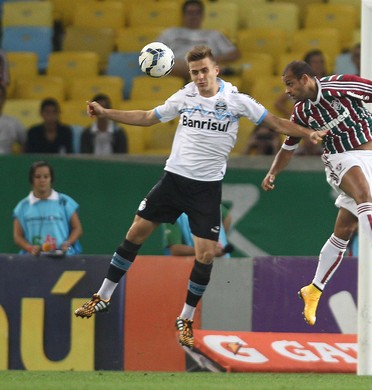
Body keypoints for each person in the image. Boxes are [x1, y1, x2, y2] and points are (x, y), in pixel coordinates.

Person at [73, 45, 325, 349]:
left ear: (216, 69)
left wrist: (307, 132)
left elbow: (276, 122)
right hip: (174, 180)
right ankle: (103, 296)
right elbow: (147, 117)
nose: (200, 77)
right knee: (136, 232)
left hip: (206, 189)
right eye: (194, 72)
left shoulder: (236, 101)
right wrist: (105, 112)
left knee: (205, 254)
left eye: (205, 70)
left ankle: (186, 318)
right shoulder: (184, 96)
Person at [261, 60, 372, 326]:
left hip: (368, 157)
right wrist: (273, 172)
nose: (287, 91)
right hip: (339, 160)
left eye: (289, 84)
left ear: (305, 79)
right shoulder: (301, 113)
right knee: (365, 198)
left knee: (344, 231)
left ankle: (314, 288)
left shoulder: (342, 84)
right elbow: (288, 147)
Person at [13, 160, 83, 256]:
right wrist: (30, 248)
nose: (42, 180)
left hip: (63, 259)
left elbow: (77, 228)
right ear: (31, 180)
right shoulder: (22, 206)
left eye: (46, 176)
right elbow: (17, 236)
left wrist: (67, 243)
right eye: (38, 177)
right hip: (33, 261)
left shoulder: (64, 201)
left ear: (51, 179)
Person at [157, 0, 240, 80]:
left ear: (202, 15)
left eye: (197, 13)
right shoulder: (170, 33)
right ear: (183, 15)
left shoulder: (214, 34)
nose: (193, 16)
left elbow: (233, 53)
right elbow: (154, 53)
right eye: (190, 13)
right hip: (176, 68)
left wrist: (212, 59)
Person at [163, 207, 233, 258]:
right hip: (197, 268)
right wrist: (207, 251)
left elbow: (227, 216)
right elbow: (175, 250)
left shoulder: (211, 202)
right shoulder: (174, 213)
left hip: (223, 265)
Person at [0, 84, 26, 154]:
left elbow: (26, 143)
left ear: (4, 100)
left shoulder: (14, 122)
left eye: (0, 97)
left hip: (5, 162)